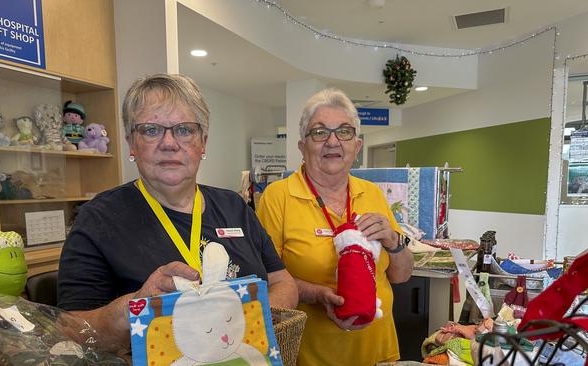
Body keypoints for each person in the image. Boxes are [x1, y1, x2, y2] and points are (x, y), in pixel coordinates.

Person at [57, 74, 298, 350]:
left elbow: (283, 282)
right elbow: (71, 330)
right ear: (131, 144)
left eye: (184, 130)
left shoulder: (233, 206)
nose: (169, 143)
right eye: (151, 130)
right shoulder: (98, 219)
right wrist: (134, 309)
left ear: (203, 142)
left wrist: (242, 317)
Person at [256, 88, 414, 365]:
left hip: (378, 351)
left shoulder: (373, 194)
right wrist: (317, 294)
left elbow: (401, 276)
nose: (332, 142)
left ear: (357, 146)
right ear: (302, 146)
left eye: (344, 132)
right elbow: (265, 279)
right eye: (319, 132)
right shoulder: (277, 197)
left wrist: (393, 241)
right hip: (311, 355)